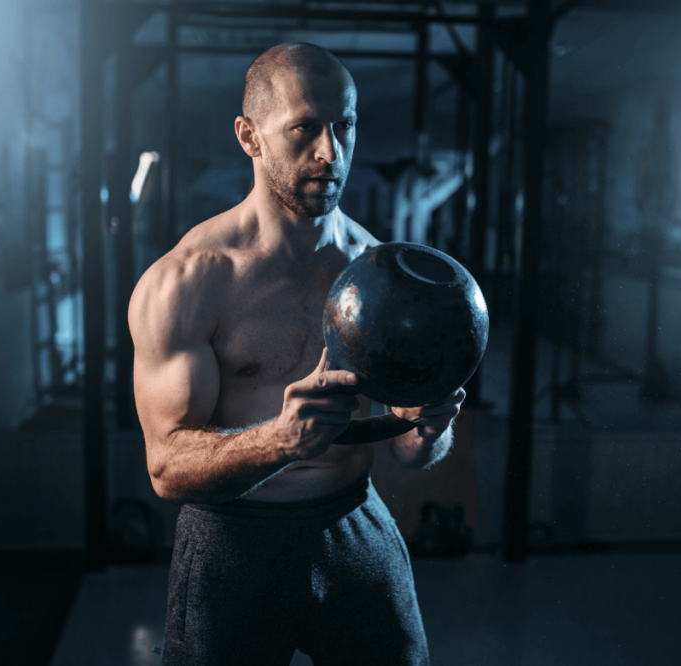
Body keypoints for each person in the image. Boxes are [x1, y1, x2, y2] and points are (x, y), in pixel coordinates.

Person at [129, 41, 465, 666]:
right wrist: (280, 441)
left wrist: (429, 425)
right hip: (233, 539)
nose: (330, 153)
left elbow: (410, 451)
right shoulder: (189, 282)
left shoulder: (378, 275)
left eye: (344, 126)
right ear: (249, 137)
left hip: (354, 521)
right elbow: (166, 467)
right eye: (305, 129)